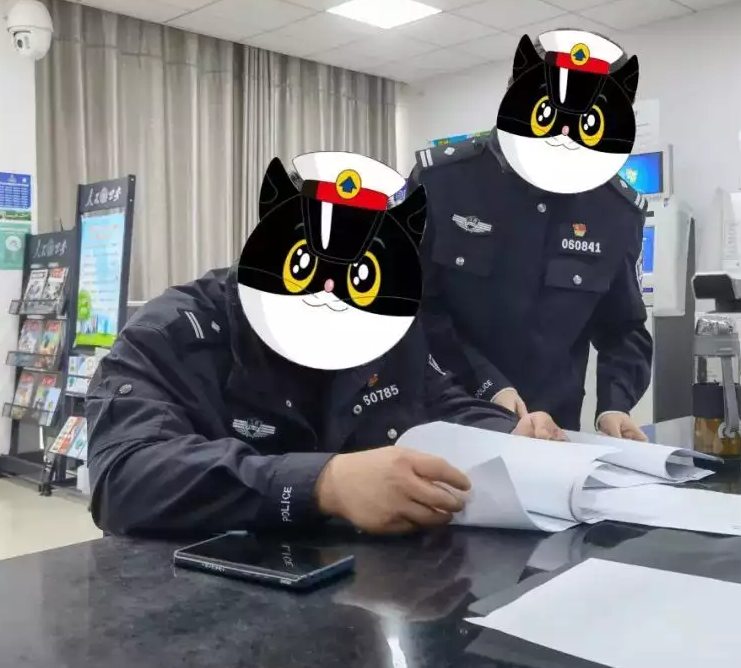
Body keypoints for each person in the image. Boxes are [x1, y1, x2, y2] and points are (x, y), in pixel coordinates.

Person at [85, 152, 562, 539]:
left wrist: (507, 432)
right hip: (197, 596)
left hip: (363, 589)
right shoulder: (172, 330)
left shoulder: (385, 323)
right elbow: (123, 478)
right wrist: (324, 484)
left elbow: (439, 401)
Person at [413, 29, 653, 438]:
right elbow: (413, 307)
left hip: (552, 432)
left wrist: (614, 404)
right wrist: (487, 384)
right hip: (445, 420)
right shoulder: (441, 181)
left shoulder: (616, 208)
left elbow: (623, 328)